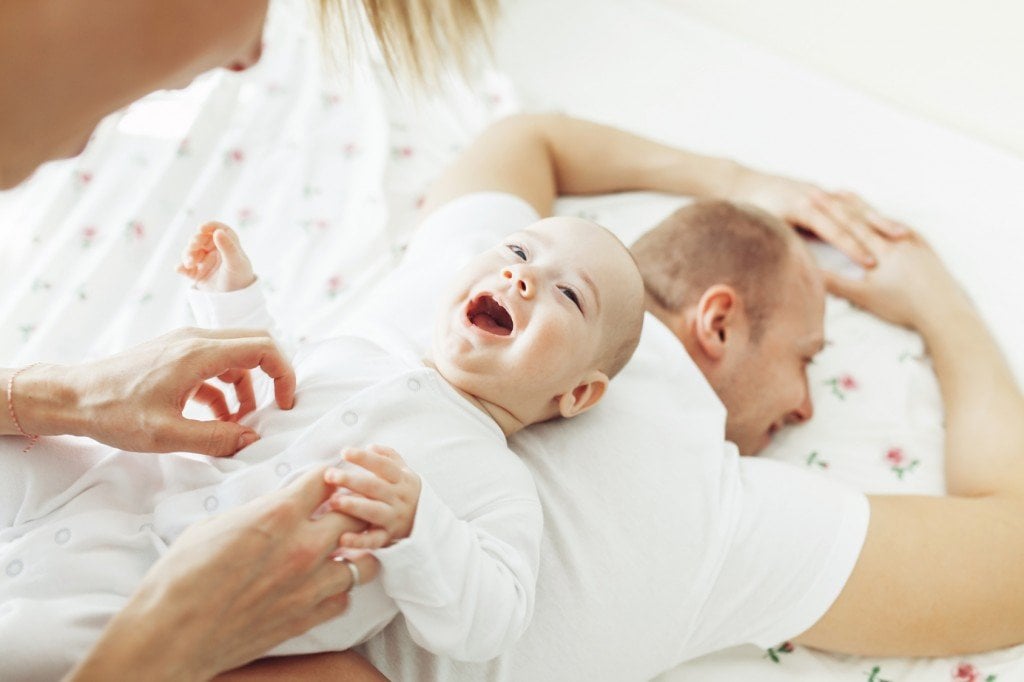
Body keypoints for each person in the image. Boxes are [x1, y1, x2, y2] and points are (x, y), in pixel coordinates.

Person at [244, 113, 1023, 680]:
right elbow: (1012, 565)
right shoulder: (712, 506)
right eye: (805, 357)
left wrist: (740, 180)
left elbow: (525, 138)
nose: (806, 406)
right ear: (716, 321)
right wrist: (938, 304)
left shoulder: (468, 266)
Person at [0, 0, 500, 677]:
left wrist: (46, 398)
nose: (254, 56)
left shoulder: (494, 480)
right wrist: (165, 642)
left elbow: (263, 381)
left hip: (99, 528)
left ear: (578, 391)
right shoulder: (375, 349)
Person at [0, 212, 643, 678]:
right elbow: (260, 378)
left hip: (148, 601)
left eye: (567, 294)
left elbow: (492, 621)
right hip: (116, 490)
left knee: (33, 644)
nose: (521, 277)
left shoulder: (495, 484)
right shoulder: (352, 352)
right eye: (518, 250)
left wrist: (423, 528)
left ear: (578, 394)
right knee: (31, 455)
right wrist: (232, 299)